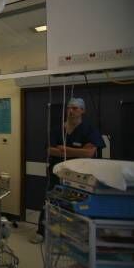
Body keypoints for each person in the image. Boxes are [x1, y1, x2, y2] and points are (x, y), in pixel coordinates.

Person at [30, 97, 105, 243]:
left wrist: (64, 149)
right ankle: (42, 231)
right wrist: (77, 150)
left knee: (76, 203)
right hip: (57, 174)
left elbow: (89, 153)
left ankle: (74, 235)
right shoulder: (57, 130)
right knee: (50, 201)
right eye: (69, 108)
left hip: (78, 177)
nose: (71, 111)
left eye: (75, 108)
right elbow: (49, 150)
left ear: (82, 111)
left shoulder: (89, 129)